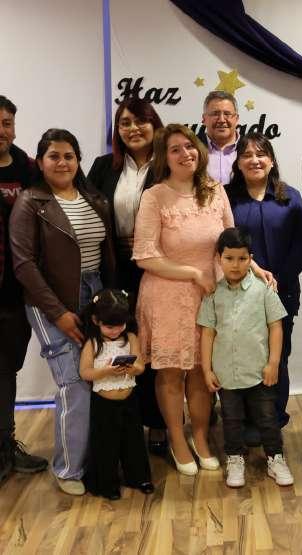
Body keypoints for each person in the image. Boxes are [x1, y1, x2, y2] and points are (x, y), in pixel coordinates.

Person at [10, 128, 116, 495]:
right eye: (53, 156)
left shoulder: (94, 198)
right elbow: (24, 265)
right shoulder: (30, 202)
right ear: (40, 162)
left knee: (98, 378)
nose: (62, 162)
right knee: (74, 382)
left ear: (78, 160)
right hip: (49, 300)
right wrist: (57, 313)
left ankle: (96, 459)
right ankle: (69, 469)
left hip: (95, 295)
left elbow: (105, 254)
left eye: (69, 156)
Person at [132, 124, 233, 476]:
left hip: (209, 297)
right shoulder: (154, 196)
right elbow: (144, 255)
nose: (185, 153)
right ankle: (177, 439)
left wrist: (256, 269)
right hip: (166, 296)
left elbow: (230, 243)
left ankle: (201, 437)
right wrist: (191, 273)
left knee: (202, 372)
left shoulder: (215, 190)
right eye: (175, 149)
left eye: (189, 146)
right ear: (165, 157)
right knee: (172, 373)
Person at [87, 97, 168, 455]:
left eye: (140, 121)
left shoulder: (168, 164)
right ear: (117, 131)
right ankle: (124, 422)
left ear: (154, 124)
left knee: (152, 346)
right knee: (120, 342)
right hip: (116, 268)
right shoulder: (103, 166)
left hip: (158, 267)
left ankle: (158, 422)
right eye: (125, 123)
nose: (133, 128)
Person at [225, 133, 302, 438]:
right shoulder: (226, 198)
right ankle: (246, 422)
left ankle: (273, 420)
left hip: (281, 292)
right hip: (236, 295)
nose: (254, 160)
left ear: (271, 160)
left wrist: (278, 280)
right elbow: (221, 243)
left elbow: (301, 244)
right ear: (237, 163)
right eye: (246, 155)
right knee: (242, 356)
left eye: (261, 154)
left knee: (277, 356)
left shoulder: (290, 197)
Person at [199, 227, 293, 488]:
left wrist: (273, 363)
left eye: (242, 258)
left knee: (268, 418)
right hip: (227, 375)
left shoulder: (263, 289)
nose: (235, 265)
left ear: (250, 258)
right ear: (219, 258)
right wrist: (206, 370)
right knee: (231, 420)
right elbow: (207, 333)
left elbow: (276, 326)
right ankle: (235, 458)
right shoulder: (213, 294)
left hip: (259, 372)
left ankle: (275, 458)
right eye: (229, 258)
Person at [0, 95, 47, 481]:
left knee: (6, 370)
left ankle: (5, 445)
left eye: (6, 123)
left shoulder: (29, 169)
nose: (1, 130)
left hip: (16, 294)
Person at [79, 289, 153, 500]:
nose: (115, 331)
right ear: (96, 321)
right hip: (103, 403)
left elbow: (140, 366)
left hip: (129, 400)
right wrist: (106, 371)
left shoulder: (130, 337)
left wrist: (132, 368)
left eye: (120, 325)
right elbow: (85, 372)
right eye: (109, 326)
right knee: (105, 444)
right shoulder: (93, 343)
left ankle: (139, 477)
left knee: (133, 441)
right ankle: (106, 483)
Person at [201, 91, 240, 184]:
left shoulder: (249, 148)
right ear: (204, 119)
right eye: (215, 114)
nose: (222, 120)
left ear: (236, 119)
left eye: (227, 114)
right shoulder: (192, 149)